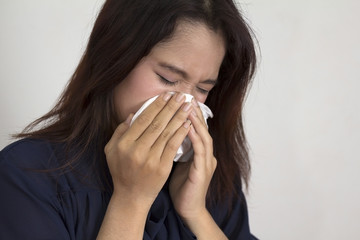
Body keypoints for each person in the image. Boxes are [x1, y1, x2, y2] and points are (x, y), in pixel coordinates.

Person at [0, 0, 258, 239]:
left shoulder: (208, 176)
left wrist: (197, 214)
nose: (185, 104)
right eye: (168, 79)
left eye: (202, 89)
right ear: (115, 59)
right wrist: (131, 201)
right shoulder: (27, 176)